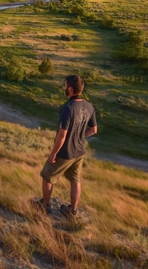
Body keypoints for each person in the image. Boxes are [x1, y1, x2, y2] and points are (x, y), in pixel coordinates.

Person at [37, 74, 97, 217]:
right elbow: (93, 130)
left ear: (70, 89)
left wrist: (53, 153)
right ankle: (73, 211)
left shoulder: (68, 108)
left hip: (65, 152)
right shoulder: (89, 106)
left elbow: (62, 135)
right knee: (75, 181)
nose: (63, 87)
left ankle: (45, 205)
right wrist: (79, 136)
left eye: (64, 85)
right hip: (80, 151)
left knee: (47, 176)